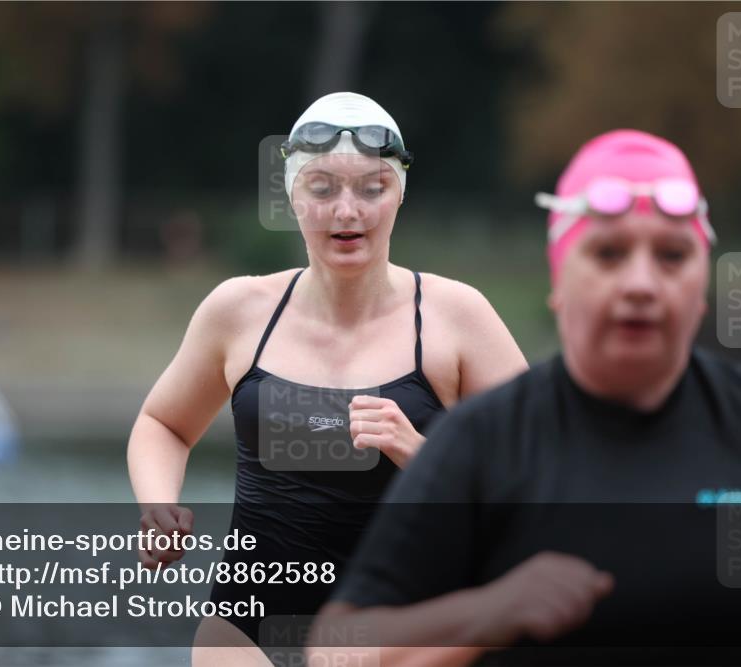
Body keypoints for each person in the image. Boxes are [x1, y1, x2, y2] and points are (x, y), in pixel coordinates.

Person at [312, 129, 741, 666]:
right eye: (608, 253)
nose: (641, 283)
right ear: (559, 278)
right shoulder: (482, 442)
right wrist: (488, 612)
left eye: (672, 256)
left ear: (701, 287)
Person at [126, 92, 528, 665]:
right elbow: (163, 422)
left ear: (398, 198)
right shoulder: (238, 310)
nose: (347, 210)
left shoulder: (455, 317)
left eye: (372, 187)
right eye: (322, 188)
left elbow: (537, 480)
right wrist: (158, 504)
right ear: (292, 197)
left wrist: (424, 455)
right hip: (244, 636)